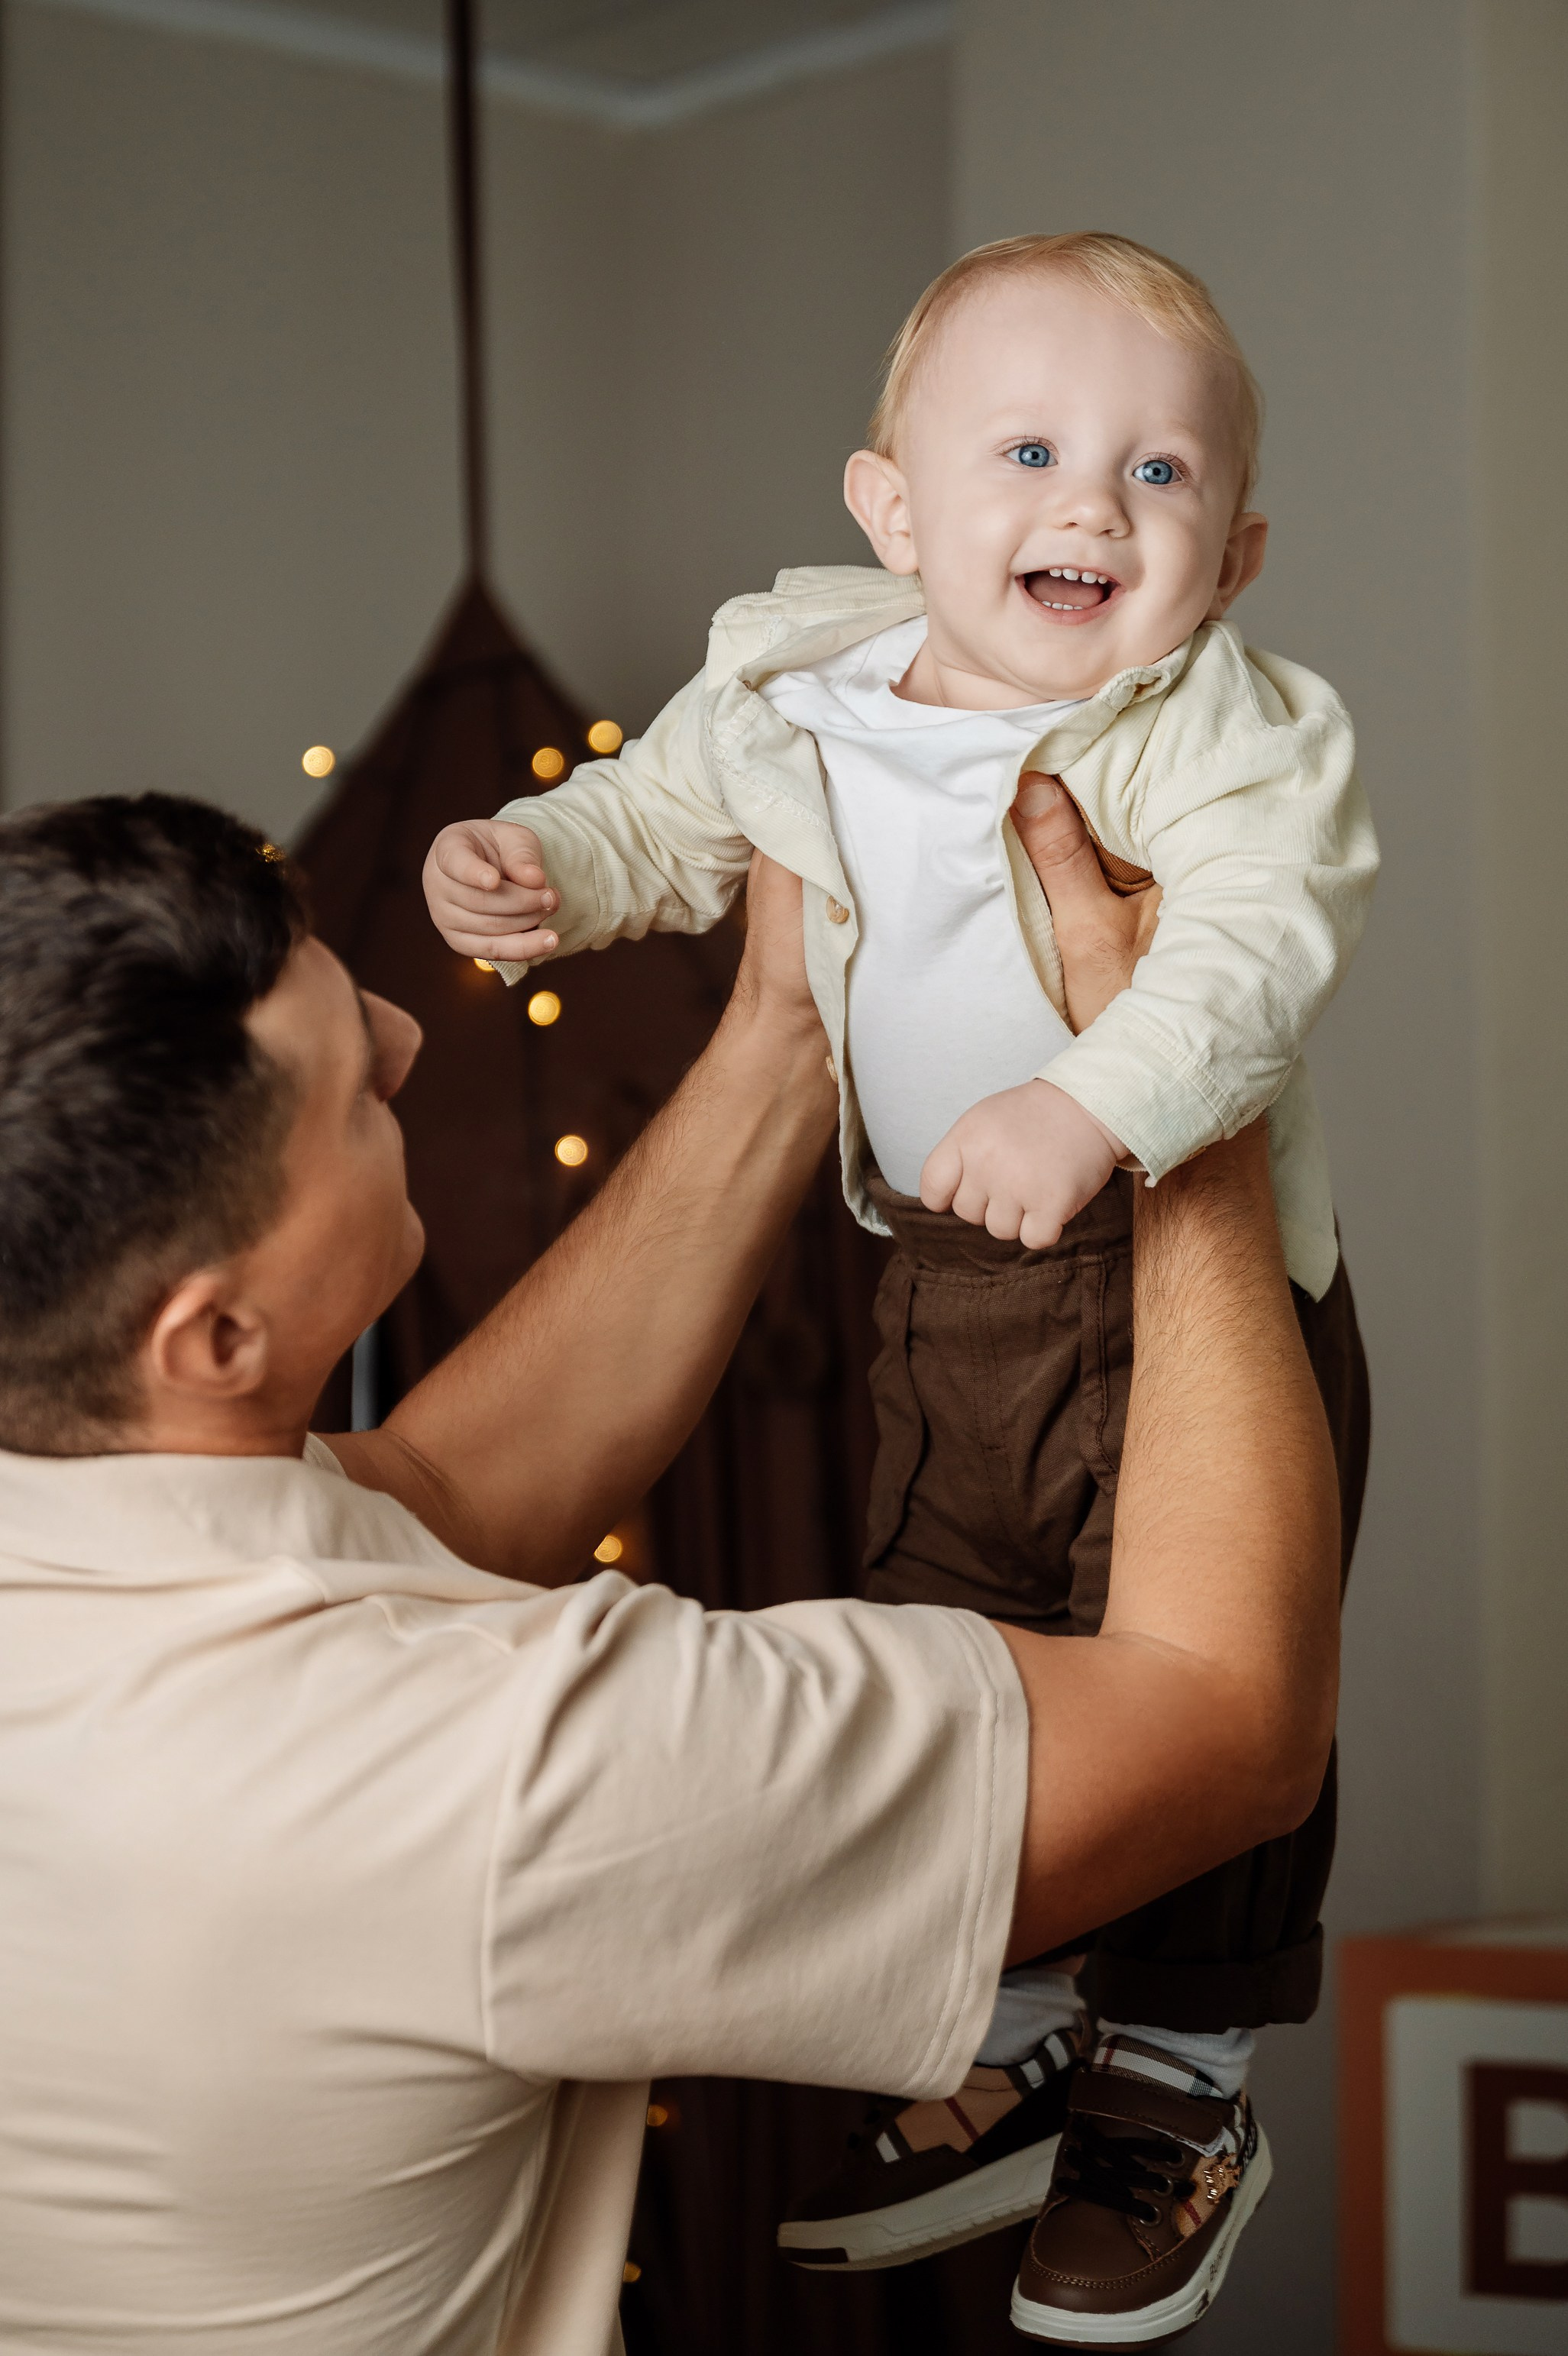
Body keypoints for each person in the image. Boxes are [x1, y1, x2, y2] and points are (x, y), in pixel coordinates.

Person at [0, 787, 1339, 2354]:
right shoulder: (483, 1771)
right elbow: (1225, 1720)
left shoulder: (92, 1501)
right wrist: (1178, 1076)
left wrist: (784, 1031)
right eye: (355, 1089)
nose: (405, 1039)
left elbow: (434, 1499)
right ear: (215, 1336)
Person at [421, 231, 1374, 2334]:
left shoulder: (1223, 727)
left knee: (1199, 1669)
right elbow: (662, 822)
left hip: (1176, 1288)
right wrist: (540, 869)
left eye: (1155, 475)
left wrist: (1093, 1102)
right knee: (948, 1621)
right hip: (943, 1279)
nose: (1087, 507)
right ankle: (1018, 2016)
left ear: (1227, 553)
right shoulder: (796, 690)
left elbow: (1244, 949)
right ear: (891, 507)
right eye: (1027, 449)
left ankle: (1180, 2078)